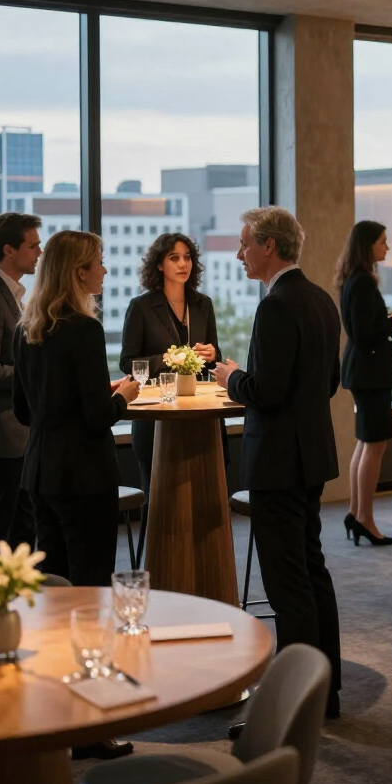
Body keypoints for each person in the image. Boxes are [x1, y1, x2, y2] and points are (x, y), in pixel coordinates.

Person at [212, 206, 343, 719]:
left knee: (287, 585)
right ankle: (324, 691)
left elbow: (265, 390)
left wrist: (230, 377)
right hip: (311, 456)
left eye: (245, 244)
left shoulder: (275, 306)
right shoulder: (320, 300)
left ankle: (294, 703)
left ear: (269, 246)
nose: (239, 253)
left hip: (277, 462)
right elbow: (327, 382)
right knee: (312, 573)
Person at [13, 231, 140, 584]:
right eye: (100, 262)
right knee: (90, 582)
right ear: (80, 272)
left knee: (53, 580)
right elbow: (97, 418)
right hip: (84, 476)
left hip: (40, 473)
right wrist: (122, 396)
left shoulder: (26, 329)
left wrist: (100, 392)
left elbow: (25, 410)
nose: (105, 270)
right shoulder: (85, 329)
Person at [119, 233, 221, 557]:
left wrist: (212, 353)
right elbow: (126, 362)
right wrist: (168, 358)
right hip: (155, 417)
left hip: (199, 413)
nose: (183, 264)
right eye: (174, 258)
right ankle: (160, 567)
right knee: (160, 500)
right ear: (159, 264)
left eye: (188, 257)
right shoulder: (141, 307)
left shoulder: (203, 304)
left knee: (202, 502)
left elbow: (215, 359)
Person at [336, 221, 392, 546]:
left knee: (367, 442)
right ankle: (365, 519)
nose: (387, 247)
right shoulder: (360, 282)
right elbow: (363, 334)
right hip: (369, 372)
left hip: (366, 372)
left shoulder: (356, 279)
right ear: (367, 245)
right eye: (383, 242)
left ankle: (357, 513)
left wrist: (389, 319)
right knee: (374, 444)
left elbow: (365, 326)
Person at [0, 212, 42, 551]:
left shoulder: (13, 294)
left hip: (19, 433)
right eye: (33, 246)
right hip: (3, 438)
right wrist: (33, 374)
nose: (39, 252)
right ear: (9, 250)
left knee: (22, 527)